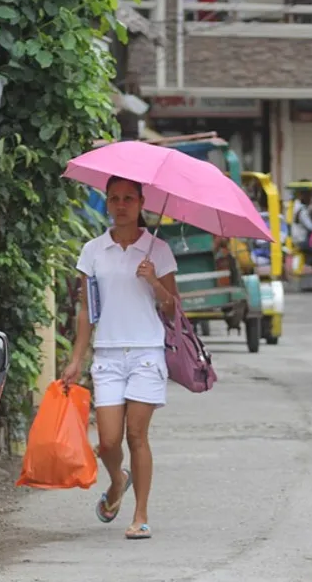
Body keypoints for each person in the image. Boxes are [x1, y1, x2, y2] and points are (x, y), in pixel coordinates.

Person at [61, 176, 179, 541]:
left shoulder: (158, 250)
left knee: (136, 435)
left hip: (146, 352)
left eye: (129, 198)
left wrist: (154, 281)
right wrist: (76, 358)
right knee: (109, 442)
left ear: (142, 202)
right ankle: (118, 482)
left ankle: (140, 515)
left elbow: (172, 311)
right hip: (108, 354)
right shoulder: (93, 251)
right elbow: (86, 310)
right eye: (115, 198)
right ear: (107, 203)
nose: (122, 204)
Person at [290, 188, 312, 270]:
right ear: (303, 195)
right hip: (302, 240)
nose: (311, 198)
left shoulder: (295, 206)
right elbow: (310, 226)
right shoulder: (302, 211)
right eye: (310, 195)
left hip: (296, 238)